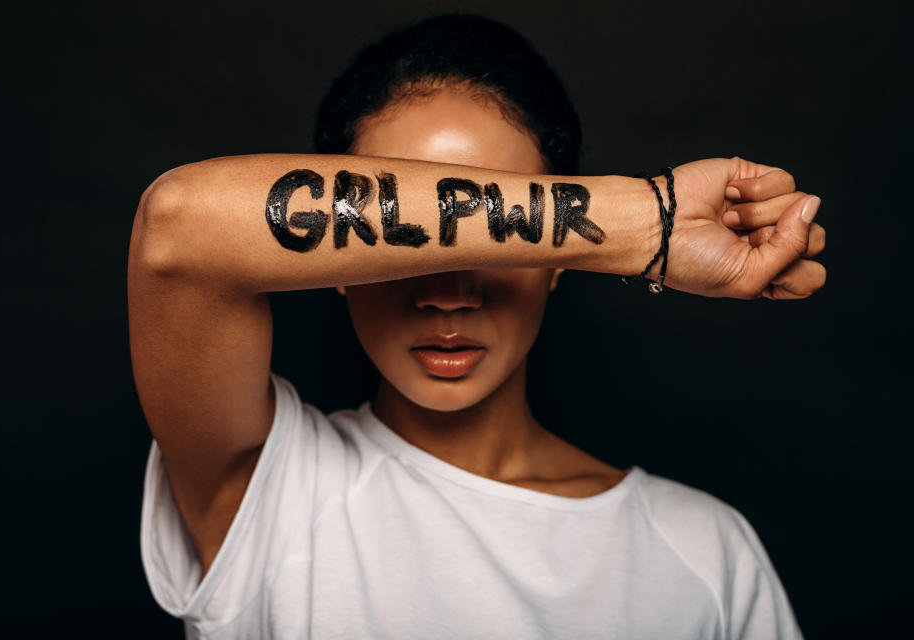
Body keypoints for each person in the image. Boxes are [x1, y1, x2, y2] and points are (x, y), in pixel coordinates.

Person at [129, 13, 823, 640]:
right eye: (411, 240)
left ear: (558, 261)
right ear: (336, 257)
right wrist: (646, 221)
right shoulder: (266, 490)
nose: (449, 295)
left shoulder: (702, 554)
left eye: (505, 244)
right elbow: (177, 230)